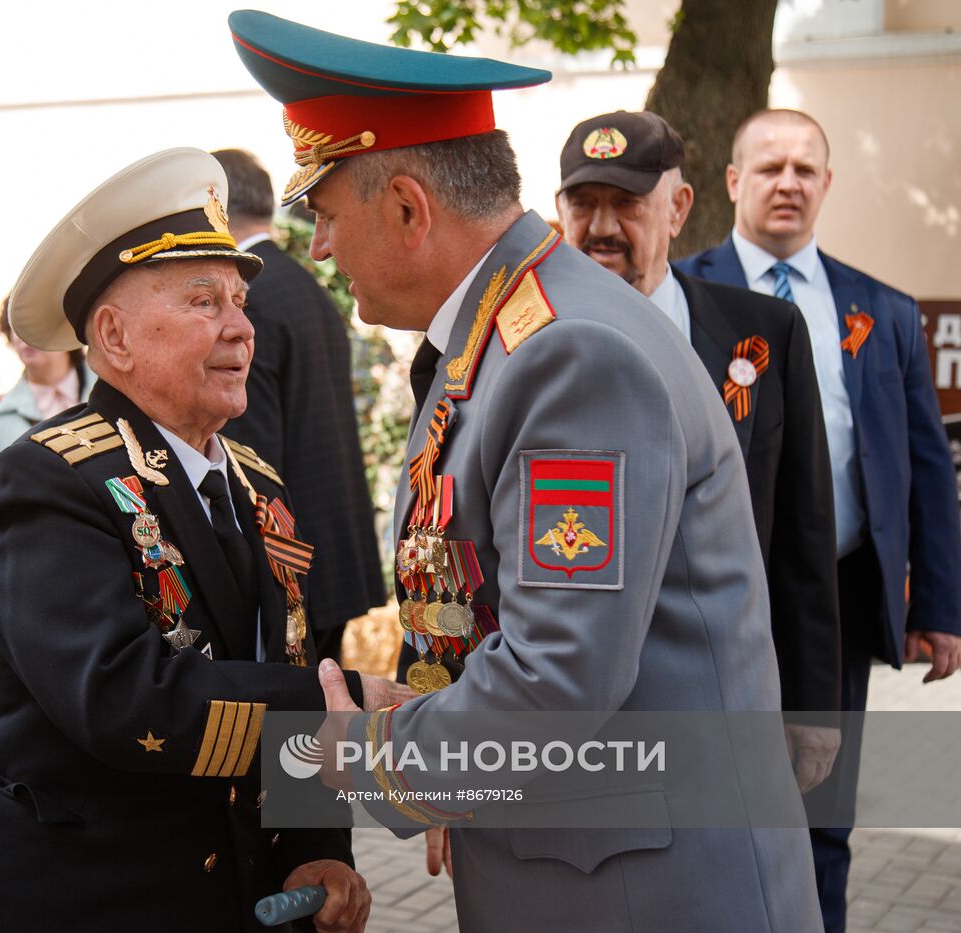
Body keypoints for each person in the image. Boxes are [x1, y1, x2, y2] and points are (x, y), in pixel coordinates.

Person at [230, 11, 822, 931]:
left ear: (407, 208)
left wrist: (374, 752)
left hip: (641, 894)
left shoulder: (567, 354)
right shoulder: (508, 333)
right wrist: (432, 707)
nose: (320, 249)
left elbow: (559, 678)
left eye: (328, 214)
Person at [0, 148, 408, 933]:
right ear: (113, 337)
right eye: (202, 300)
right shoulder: (49, 477)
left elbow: (285, 656)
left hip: (227, 890)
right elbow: (122, 694)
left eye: (240, 301)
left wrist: (319, 849)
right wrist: (340, 703)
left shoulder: (257, 480)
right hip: (85, 896)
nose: (240, 327)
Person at [678, 108, 961, 932]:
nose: (788, 182)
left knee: (821, 813)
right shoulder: (680, 297)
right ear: (733, 183)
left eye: (806, 168)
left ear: (827, 184)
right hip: (711, 605)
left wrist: (940, 608)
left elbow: (924, 465)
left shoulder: (884, 311)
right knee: (710, 812)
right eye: (769, 168)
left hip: (829, 604)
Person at [554, 110, 842, 794]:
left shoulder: (764, 334)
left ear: (678, 208)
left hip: (727, 705)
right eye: (582, 203)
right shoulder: (517, 341)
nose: (600, 227)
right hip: (572, 725)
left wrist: (813, 709)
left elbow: (805, 535)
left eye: (626, 204)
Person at [211, 148, 386, 662]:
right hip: (335, 550)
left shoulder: (250, 296)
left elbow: (251, 450)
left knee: (294, 736)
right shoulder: (302, 284)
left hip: (294, 565)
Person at [0, 297, 92, 690]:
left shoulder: (119, 403)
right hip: (15, 587)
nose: (20, 336)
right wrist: (13, 535)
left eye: (30, 322)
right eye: (12, 326)